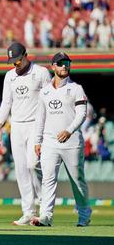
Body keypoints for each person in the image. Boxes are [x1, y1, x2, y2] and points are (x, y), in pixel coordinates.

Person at [0, 42, 51, 225]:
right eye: (12, 62)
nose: (15, 65)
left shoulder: (41, 73)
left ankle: (44, 210)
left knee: (34, 165)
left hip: (36, 124)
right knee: (21, 170)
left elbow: (50, 99)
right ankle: (28, 212)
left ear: (26, 56)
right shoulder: (9, 76)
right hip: (16, 126)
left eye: (17, 61)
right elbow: (6, 103)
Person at [31, 52, 92, 227]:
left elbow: (82, 114)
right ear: (53, 67)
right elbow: (40, 118)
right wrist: (37, 140)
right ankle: (45, 216)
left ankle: (84, 215)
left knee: (77, 180)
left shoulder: (76, 88)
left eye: (66, 63)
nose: (64, 66)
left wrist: (69, 131)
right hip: (50, 142)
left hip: (72, 143)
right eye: (60, 63)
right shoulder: (45, 92)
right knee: (48, 180)